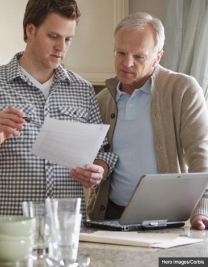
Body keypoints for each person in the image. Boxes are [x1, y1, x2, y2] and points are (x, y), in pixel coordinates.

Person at [0, 0, 118, 220]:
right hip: (10, 233)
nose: (62, 47)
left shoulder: (83, 90)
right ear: (30, 30)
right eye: (53, 36)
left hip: (66, 233)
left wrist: (98, 170)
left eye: (68, 39)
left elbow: (102, 153)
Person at [87, 12, 208, 230]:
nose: (127, 63)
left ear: (157, 57)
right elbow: (99, 156)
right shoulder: (102, 100)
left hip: (166, 218)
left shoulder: (182, 90)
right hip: (109, 217)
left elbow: (202, 154)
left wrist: (203, 209)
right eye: (121, 52)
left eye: (139, 56)